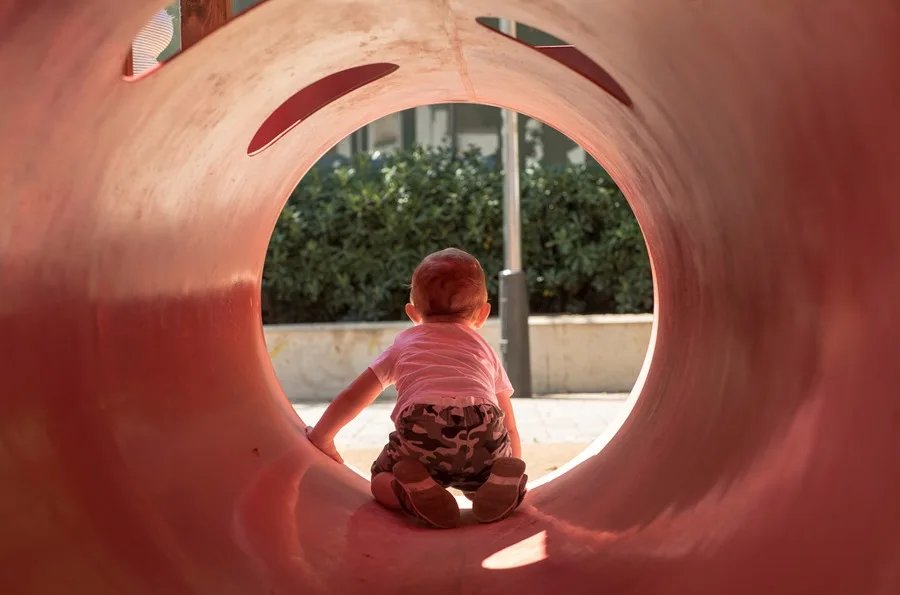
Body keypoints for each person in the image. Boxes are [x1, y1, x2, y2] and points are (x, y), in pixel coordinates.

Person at [306, 248, 527, 528]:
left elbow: (355, 395)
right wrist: (510, 461)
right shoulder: (484, 351)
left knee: (380, 479)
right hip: (483, 424)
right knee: (483, 479)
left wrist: (322, 436)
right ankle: (501, 482)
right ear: (483, 314)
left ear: (412, 312)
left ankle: (408, 491)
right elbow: (508, 423)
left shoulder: (405, 345)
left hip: (424, 426)